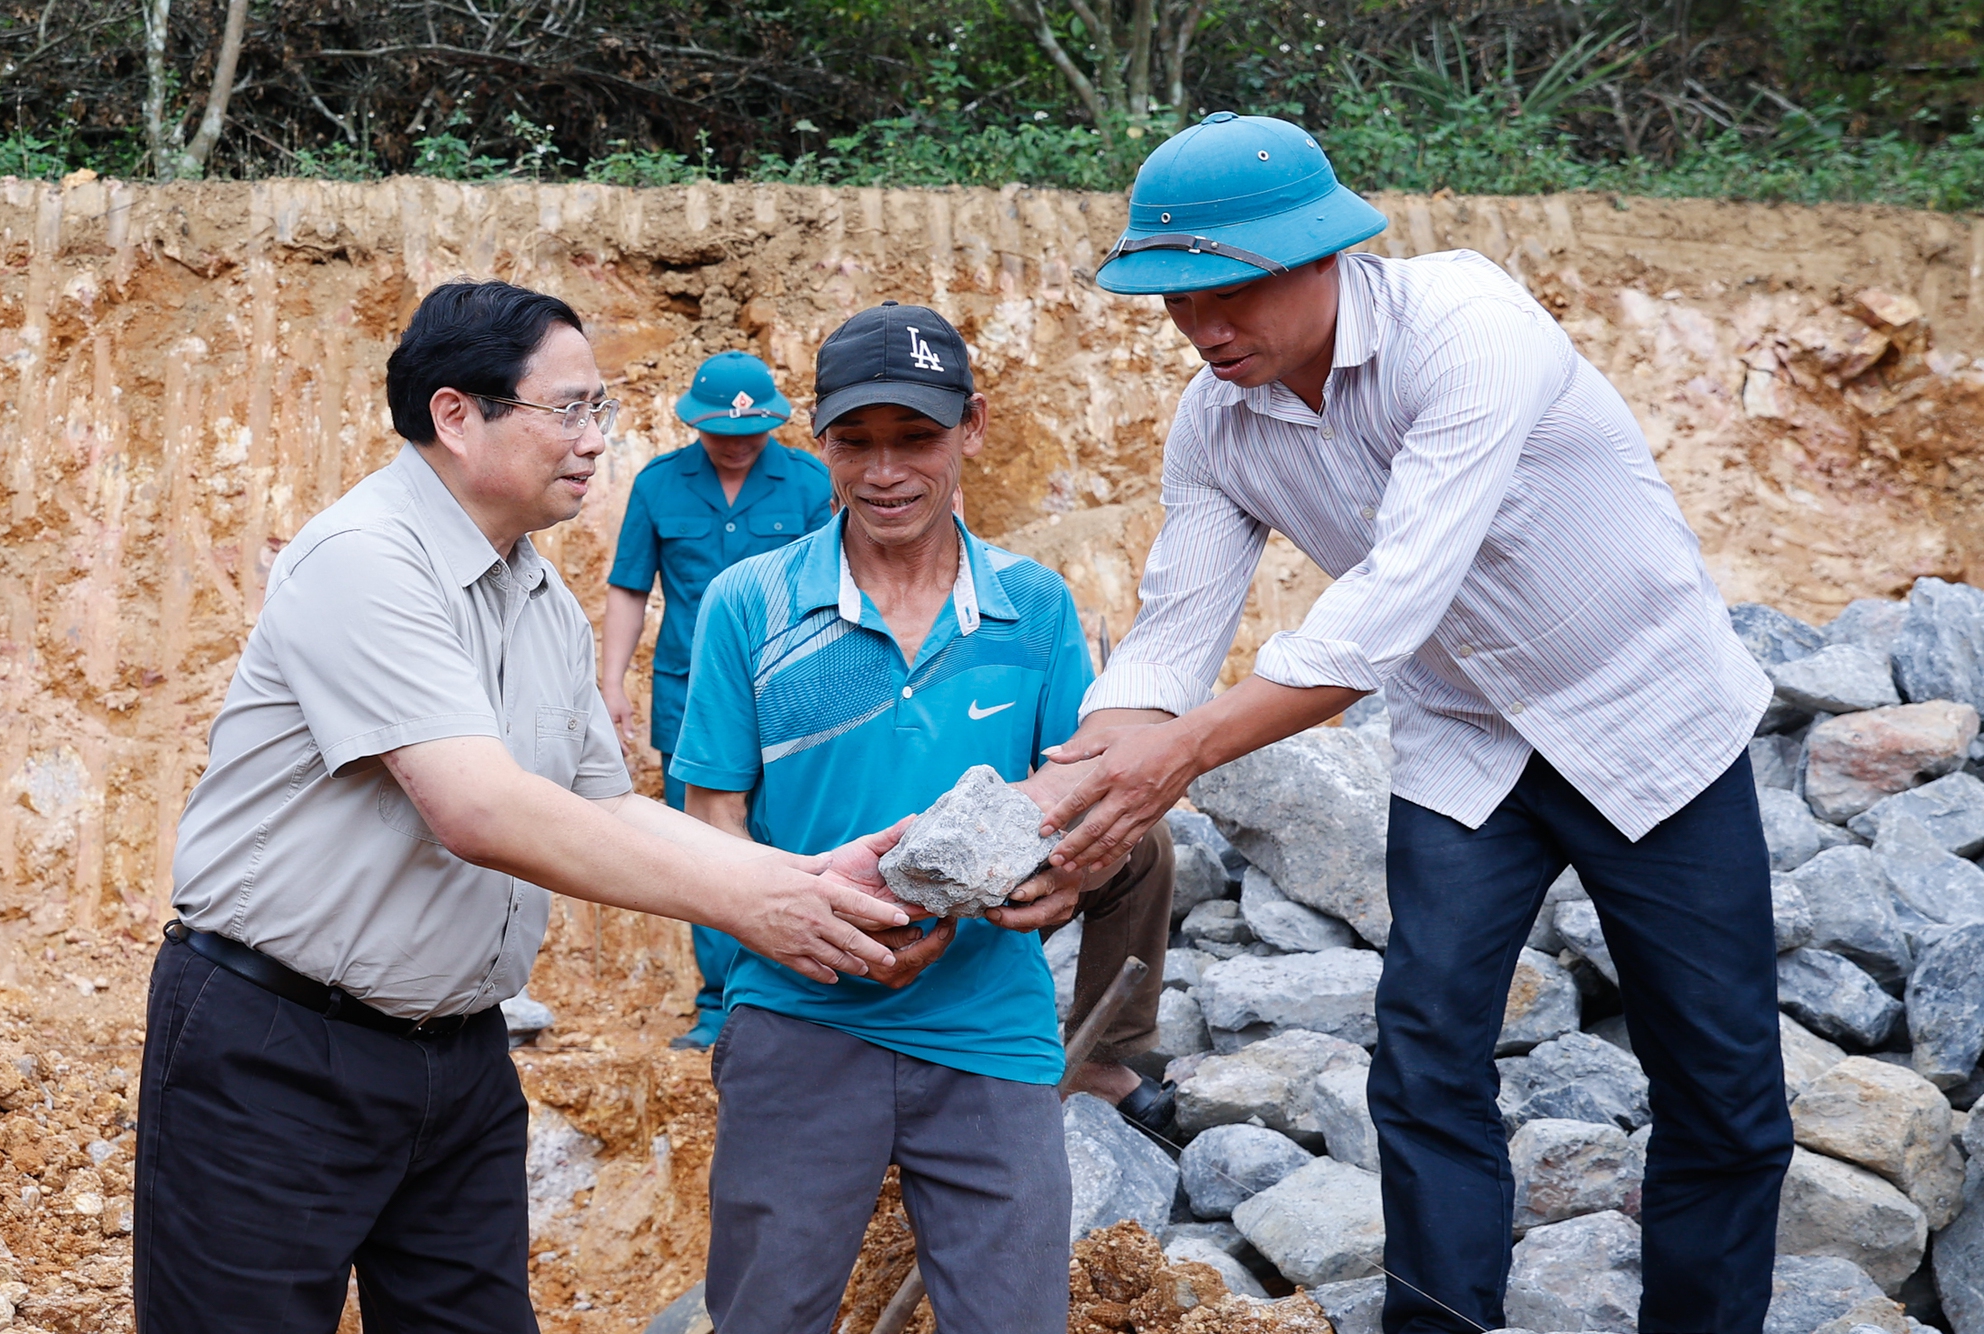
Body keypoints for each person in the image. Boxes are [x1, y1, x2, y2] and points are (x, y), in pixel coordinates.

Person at [1038, 114, 1793, 1333]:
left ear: (1321, 253)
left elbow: (1388, 603)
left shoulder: (1467, 332)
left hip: (1646, 717)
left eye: (1227, 291)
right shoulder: (1214, 420)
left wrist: (1172, 759)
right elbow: (1171, 631)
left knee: (1720, 1081)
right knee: (1423, 1052)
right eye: (1174, 297)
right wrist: (1074, 779)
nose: (1200, 326)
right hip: (1465, 741)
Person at [133, 281, 914, 1333]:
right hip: (277, 1050)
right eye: (571, 408)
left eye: (602, 410)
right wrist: (747, 909)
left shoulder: (534, 590)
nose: (595, 441)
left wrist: (794, 877)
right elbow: (481, 808)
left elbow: (606, 802)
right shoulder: (364, 561)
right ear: (456, 414)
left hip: (456, 1057)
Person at [672, 300, 1173, 1333]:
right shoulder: (748, 603)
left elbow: (1073, 796)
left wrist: (1063, 876)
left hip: (987, 1024)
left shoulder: (1032, 607)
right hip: (797, 1015)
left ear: (972, 427)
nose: (885, 470)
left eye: (916, 438)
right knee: (766, 1315)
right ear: (818, 443)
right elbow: (708, 819)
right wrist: (757, 963)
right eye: (854, 441)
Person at [600, 351, 834, 1050]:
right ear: (694, 424)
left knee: (792, 834)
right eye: (722, 431)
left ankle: (802, 988)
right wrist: (611, 682)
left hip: (793, 694)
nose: (736, 443)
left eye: (751, 430)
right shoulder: (658, 485)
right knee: (704, 847)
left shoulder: (809, 480)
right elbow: (628, 588)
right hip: (689, 698)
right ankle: (721, 1004)